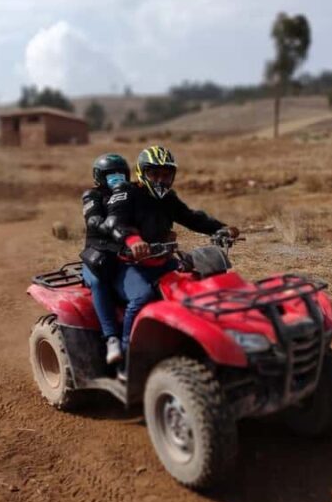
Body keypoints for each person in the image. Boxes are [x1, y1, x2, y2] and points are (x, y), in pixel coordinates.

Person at [107, 145, 239, 360]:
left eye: (166, 175)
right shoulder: (127, 193)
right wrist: (134, 241)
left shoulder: (168, 198)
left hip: (161, 261)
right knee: (142, 297)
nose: (160, 180)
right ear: (142, 172)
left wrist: (220, 228)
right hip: (129, 265)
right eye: (154, 173)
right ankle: (127, 354)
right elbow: (115, 222)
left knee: (195, 286)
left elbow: (191, 217)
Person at [80, 153, 130, 365]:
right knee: (99, 281)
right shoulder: (92, 195)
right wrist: (110, 228)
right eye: (111, 174)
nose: (117, 178)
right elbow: (92, 218)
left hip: (126, 254)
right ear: (99, 177)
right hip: (98, 256)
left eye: (121, 173)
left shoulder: (130, 194)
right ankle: (112, 338)